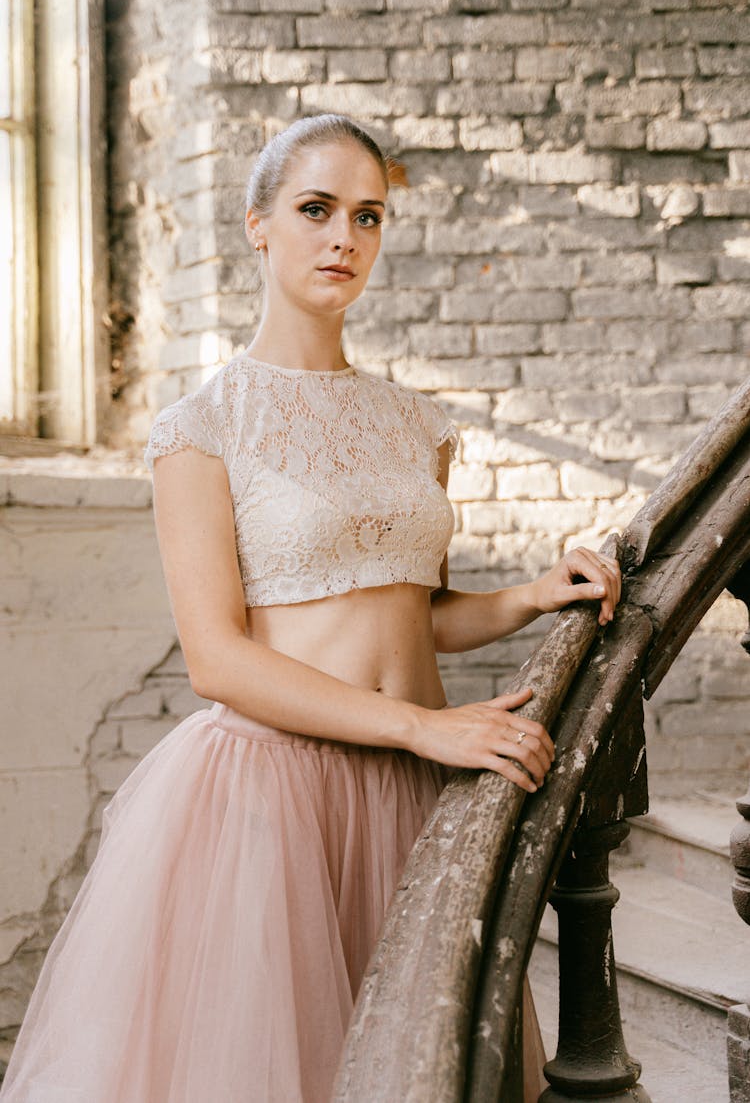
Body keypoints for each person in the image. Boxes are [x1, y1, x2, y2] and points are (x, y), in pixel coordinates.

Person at [0, 113, 621, 1103]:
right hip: (270, 802)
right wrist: (425, 726)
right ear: (258, 225)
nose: (344, 238)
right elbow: (220, 660)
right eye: (317, 210)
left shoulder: (415, 424)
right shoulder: (200, 428)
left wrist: (529, 598)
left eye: (367, 216)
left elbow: (406, 615)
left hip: (413, 789)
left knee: (429, 1068)